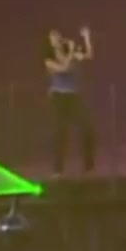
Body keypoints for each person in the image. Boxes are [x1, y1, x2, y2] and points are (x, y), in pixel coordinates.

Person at [44, 27, 95, 176]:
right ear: (50, 43)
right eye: (52, 38)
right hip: (58, 97)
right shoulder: (49, 59)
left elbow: (89, 55)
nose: (56, 40)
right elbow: (63, 68)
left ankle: (89, 167)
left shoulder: (69, 52)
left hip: (73, 96)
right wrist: (72, 52)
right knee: (60, 132)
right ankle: (58, 169)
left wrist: (86, 37)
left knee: (87, 128)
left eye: (57, 37)